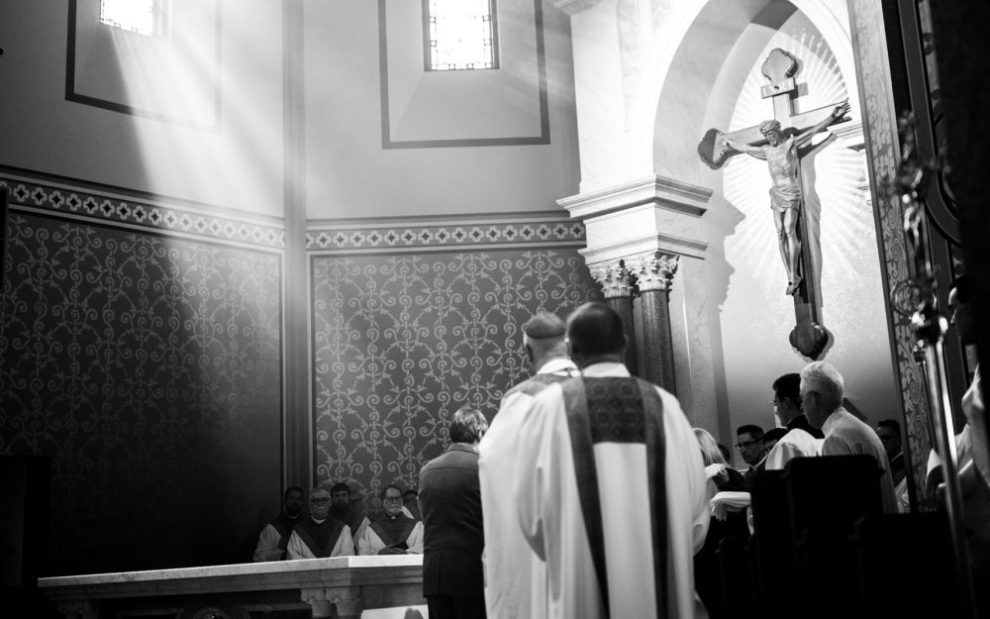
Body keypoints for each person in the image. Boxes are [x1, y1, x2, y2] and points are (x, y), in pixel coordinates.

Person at [514, 302, 709, 618]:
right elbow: (697, 506)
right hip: (663, 587)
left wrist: (565, 551)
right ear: (625, 344)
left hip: (581, 585)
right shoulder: (666, 406)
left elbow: (528, 512)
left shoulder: (548, 409)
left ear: (571, 349)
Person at [478, 310, 578, 619]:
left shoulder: (524, 398)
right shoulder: (604, 391)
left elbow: (492, 464)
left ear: (528, 351)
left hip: (545, 548)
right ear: (569, 346)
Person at [720, 100, 851, 295]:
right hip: (776, 194)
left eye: (771, 134)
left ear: (778, 132)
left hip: (791, 191)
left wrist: (833, 117)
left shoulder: (790, 144)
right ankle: (791, 275)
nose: (769, 138)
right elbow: (746, 148)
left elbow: (812, 132)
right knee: (780, 232)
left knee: (790, 229)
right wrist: (730, 143)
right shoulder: (766, 151)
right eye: (766, 136)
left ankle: (794, 273)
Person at [799, 361, 897, 513]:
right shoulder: (858, 427)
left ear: (814, 398)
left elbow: (844, 507)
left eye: (802, 398)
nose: (802, 407)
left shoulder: (835, 438)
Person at [420, 406, 489, 619]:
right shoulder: (483, 466)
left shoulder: (427, 471)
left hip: (435, 574)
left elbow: (426, 517)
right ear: (480, 433)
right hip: (471, 573)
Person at [693, 428, 748, 618]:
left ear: (705, 451)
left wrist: (724, 485)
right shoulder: (692, 480)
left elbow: (740, 515)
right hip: (700, 554)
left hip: (723, 554)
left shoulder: (729, 476)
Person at [286, 484, 355, 558]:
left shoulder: (343, 529)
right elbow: (293, 557)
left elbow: (347, 556)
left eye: (324, 500)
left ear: (330, 503)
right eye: (315, 500)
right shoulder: (298, 531)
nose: (320, 503)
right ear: (309, 504)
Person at [357, 484, 424, 555]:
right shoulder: (370, 529)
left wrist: (406, 553)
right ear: (383, 501)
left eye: (398, 498)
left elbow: (423, 549)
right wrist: (379, 553)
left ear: (402, 501)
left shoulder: (417, 526)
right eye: (391, 498)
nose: (395, 502)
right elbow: (363, 553)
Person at [252, 486, 304, 562]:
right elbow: (259, 558)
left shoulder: (308, 526)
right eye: (292, 498)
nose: (295, 502)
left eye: (298, 499)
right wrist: (280, 553)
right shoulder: (272, 528)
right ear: (285, 500)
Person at [772, 373, 823, 438]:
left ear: (786, 402)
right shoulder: (828, 430)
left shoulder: (790, 440)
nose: (776, 412)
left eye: (776, 404)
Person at [876, 419, 906, 486]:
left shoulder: (905, 466)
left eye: (885, 438)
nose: (880, 443)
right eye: (877, 439)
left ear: (898, 439)